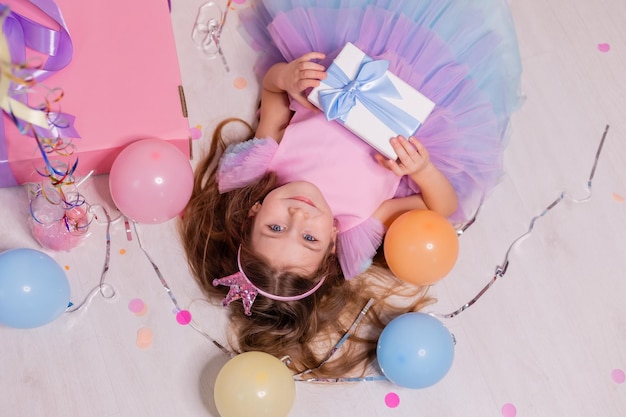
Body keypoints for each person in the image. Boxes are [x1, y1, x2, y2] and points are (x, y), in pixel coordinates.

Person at [179, 0, 522, 378]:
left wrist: (287, 78)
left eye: (275, 228)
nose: (299, 215)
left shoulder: (269, 161)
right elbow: (440, 208)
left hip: (355, 54)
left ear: (253, 210)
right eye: (309, 237)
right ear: (332, 241)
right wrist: (422, 170)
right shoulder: (361, 218)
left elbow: (272, 91)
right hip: (420, 89)